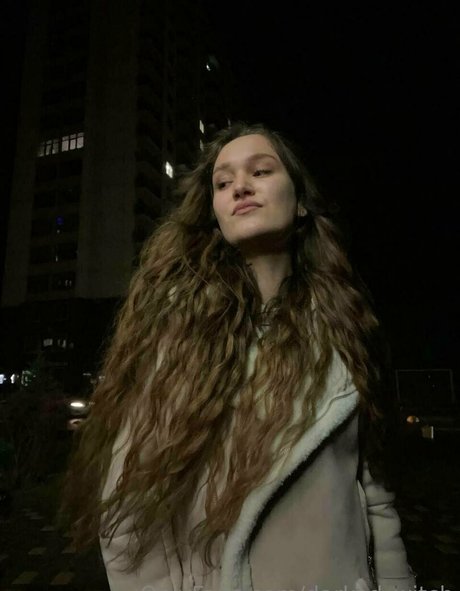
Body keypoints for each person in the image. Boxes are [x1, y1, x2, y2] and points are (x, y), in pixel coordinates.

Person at [61, 122, 417, 591]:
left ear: (301, 202)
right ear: (214, 214)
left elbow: (373, 494)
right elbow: (127, 511)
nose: (240, 187)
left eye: (261, 171)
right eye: (223, 182)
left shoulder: (347, 330)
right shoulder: (176, 335)